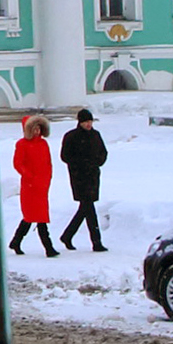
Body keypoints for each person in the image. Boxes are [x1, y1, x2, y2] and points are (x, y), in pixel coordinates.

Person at [60, 107, 108, 253]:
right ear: (79, 122)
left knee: (84, 208)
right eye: (85, 122)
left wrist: (97, 162)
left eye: (90, 121)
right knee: (89, 207)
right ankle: (96, 242)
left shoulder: (96, 135)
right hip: (79, 177)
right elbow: (65, 156)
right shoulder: (71, 136)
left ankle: (67, 236)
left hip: (93, 176)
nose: (88, 124)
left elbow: (103, 152)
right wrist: (79, 165)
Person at [9, 114, 54, 259]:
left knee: (33, 217)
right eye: (34, 128)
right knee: (36, 217)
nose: (37, 131)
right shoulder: (22, 144)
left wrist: (47, 178)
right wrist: (29, 176)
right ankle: (49, 248)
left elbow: (48, 163)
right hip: (30, 186)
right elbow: (18, 163)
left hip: (41, 186)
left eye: (39, 128)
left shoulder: (43, 144)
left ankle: (16, 241)